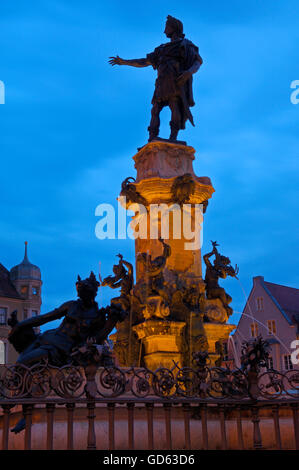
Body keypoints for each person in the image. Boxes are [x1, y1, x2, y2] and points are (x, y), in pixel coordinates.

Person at [109, 15, 203, 141]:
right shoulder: (161, 49)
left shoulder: (185, 45)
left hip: (175, 79)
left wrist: (188, 72)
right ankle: (152, 137)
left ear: (174, 28)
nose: (164, 30)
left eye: (166, 27)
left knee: (174, 105)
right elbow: (144, 61)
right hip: (161, 81)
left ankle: (173, 137)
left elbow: (198, 62)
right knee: (155, 109)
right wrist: (124, 62)